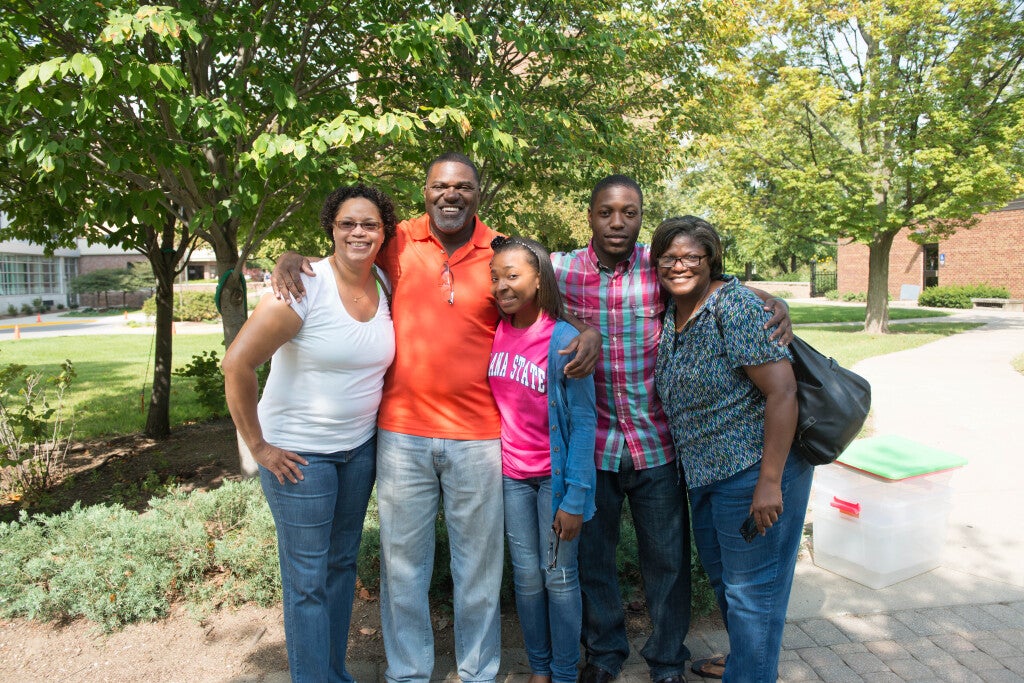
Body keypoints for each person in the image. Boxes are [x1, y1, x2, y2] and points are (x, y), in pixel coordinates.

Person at [270, 153, 602, 683]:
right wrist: (290, 257)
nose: (452, 194)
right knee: (403, 568)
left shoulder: (499, 250)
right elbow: (342, 252)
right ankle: (408, 673)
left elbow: (541, 303)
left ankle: (478, 672)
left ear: (478, 193)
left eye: (463, 186)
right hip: (401, 434)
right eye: (440, 186)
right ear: (425, 192)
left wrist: (588, 332)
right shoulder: (397, 240)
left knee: (479, 570)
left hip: (479, 437)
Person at [549, 175, 792, 683]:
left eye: (630, 212)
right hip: (593, 447)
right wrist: (580, 324)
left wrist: (771, 300)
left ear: (642, 217)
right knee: (594, 561)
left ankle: (665, 661)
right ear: (589, 215)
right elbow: (519, 278)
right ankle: (606, 654)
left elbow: (713, 283)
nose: (618, 222)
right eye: (606, 212)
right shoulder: (562, 269)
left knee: (668, 563)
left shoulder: (657, 264)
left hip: (656, 443)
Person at [222, 184, 398, 682]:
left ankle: (333, 674)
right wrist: (258, 447)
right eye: (347, 223)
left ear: (384, 232)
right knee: (307, 582)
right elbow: (237, 364)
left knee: (341, 567)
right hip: (299, 458)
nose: (359, 232)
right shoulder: (304, 287)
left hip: (358, 451)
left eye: (369, 224)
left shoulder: (384, 282)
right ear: (331, 229)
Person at [651, 216, 812, 683]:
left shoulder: (734, 307)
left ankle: (751, 670)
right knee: (730, 585)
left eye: (691, 257)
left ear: (711, 260)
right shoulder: (673, 308)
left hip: (753, 471)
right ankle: (746, 660)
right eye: (669, 257)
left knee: (752, 594)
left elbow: (783, 393)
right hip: (706, 475)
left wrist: (769, 482)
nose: (679, 265)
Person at [487, 236, 597, 683]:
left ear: (539, 279)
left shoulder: (564, 340)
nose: (501, 286)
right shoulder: (495, 329)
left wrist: (576, 498)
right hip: (512, 478)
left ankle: (564, 672)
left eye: (512, 276)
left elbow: (585, 423)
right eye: (495, 277)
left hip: (555, 479)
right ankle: (540, 669)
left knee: (558, 577)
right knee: (526, 579)